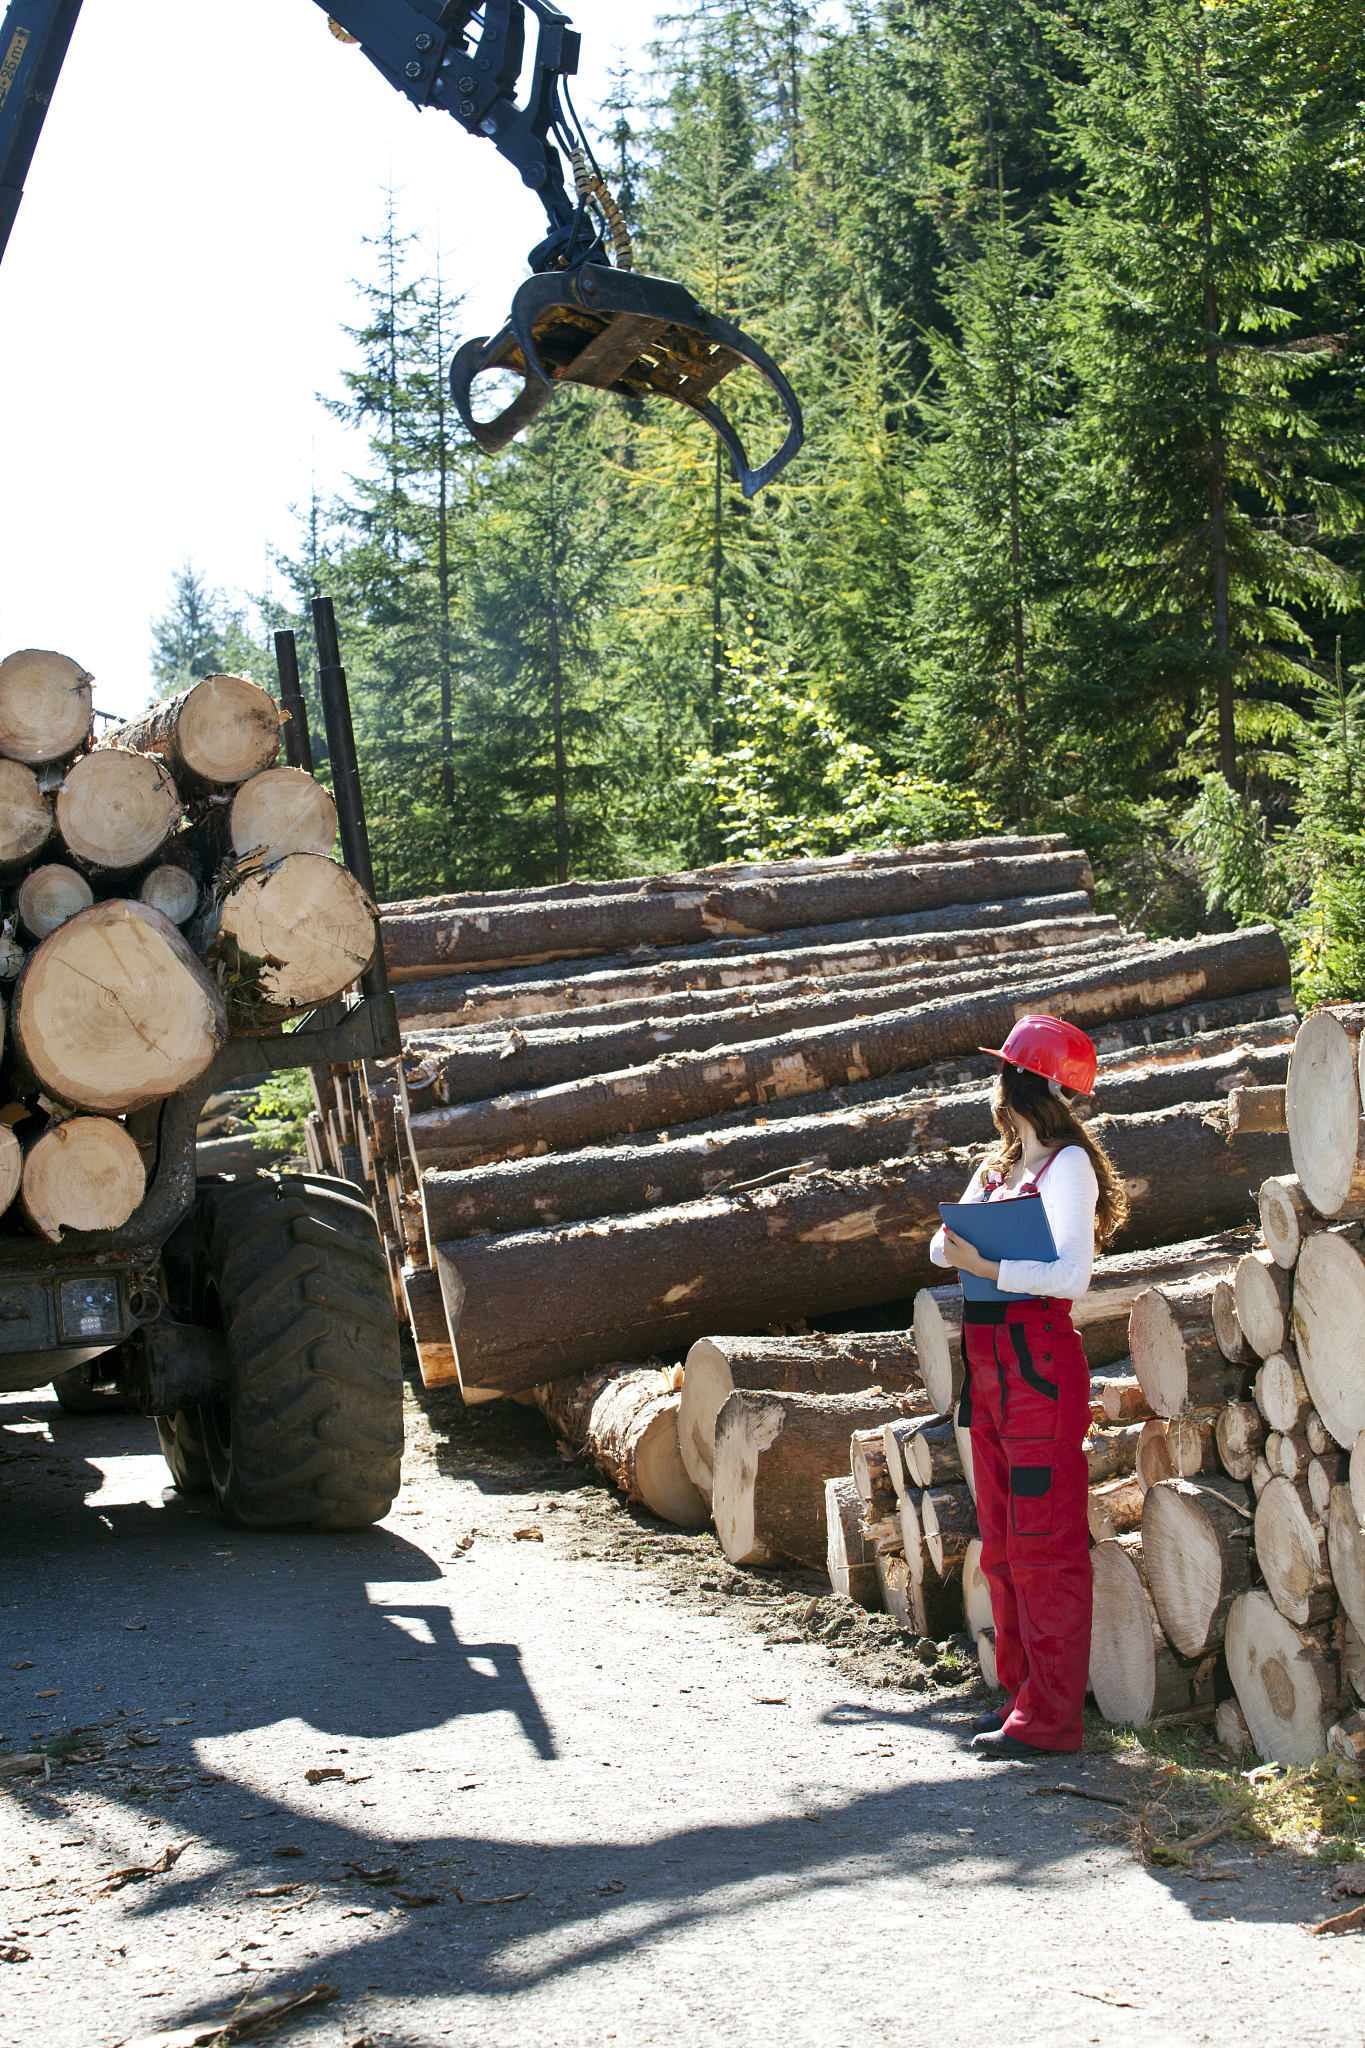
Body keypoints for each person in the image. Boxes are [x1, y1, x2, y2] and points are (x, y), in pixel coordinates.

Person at [928, 1015, 1128, 1758]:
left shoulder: (1066, 1167)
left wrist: (981, 1265)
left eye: (998, 1071)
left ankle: (1050, 1721)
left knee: (1044, 1550)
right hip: (987, 1361)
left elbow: (1070, 1275)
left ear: (1018, 1082)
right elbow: (936, 1244)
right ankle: (1020, 1704)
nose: (991, 1084)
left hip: (1036, 1363)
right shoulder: (996, 1166)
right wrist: (961, 1241)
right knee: (1004, 1549)